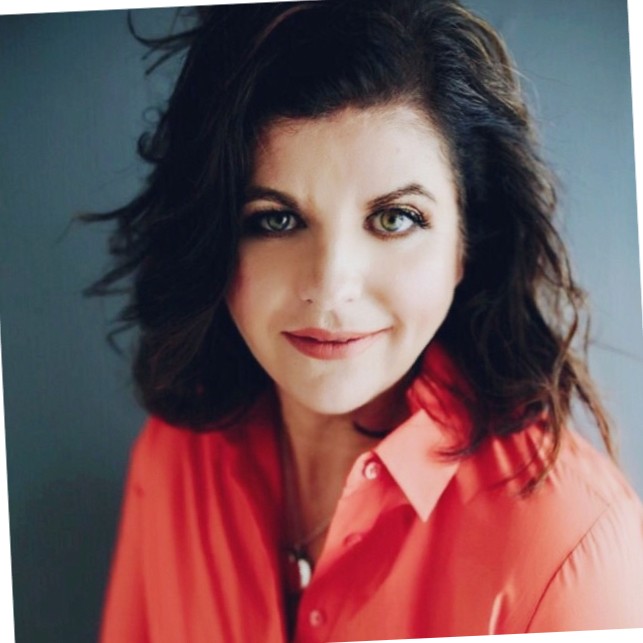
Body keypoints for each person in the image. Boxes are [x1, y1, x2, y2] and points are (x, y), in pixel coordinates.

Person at [88, 1, 643, 641]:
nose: (330, 290)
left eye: (394, 218)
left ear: (467, 244)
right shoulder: (176, 453)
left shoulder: (569, 549)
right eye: (276, 219)